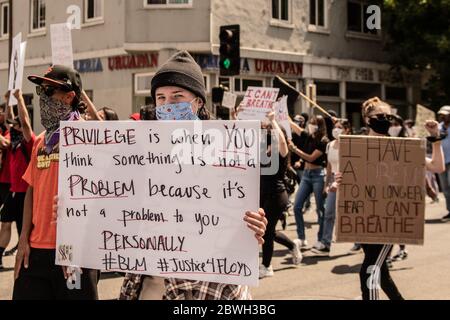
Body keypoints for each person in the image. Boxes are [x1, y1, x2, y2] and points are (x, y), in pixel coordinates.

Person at [115, 51, 267, 300]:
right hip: (150, 283)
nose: (167, 105)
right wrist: (74, 214)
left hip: (208, 287)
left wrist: (255, 225)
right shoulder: (139, 152)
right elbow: (115, 204)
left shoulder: (226, 151)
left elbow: (237, 213)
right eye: (160, 98)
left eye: (178, 96)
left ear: (198, 102)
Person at [343, 97, 445, 300]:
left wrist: (435, 138)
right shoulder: (355, 147)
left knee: (370, 270)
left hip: (389, 220)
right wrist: (338, 183)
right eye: (380, 116)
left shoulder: (401, 148)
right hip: (365, 219)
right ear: (367, 119)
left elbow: (437, 166)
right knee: (381, 272)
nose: (385, 119)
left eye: (389, 116)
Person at [13, 65, 99, 300]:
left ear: (70, 96)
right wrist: (23, 240)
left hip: (75, 253)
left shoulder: (89, 137)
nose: (42, 98)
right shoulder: (43, 140)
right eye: (40, 91)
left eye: (48, 91)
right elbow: (32, 188)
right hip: (35, 250)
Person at [259, 113, 302, 278]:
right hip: (263, 194)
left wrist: (273, 120)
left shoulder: (281, 153)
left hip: (277, 195)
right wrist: (235, 116)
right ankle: (292, 245)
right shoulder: (262, 151)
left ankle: (267, 266)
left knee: (267, 232)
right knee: (268, 231)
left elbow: (282, 141)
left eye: (270, 131)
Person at [0, 90, 35, 270]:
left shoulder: (29, 142)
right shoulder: (14, 143)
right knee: (4, 223)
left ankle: (28, 263)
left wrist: (19, 99)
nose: (12, 128)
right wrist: (9, 102)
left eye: (16, 126)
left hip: (25, 194)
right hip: (13, 192)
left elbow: (26, 123)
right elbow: (9, 120)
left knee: (24, 231)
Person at [312, 119, 352, 256]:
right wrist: (327, 184)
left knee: (351, 214)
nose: (336, 129)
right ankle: (326, 243)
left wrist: (338, 182)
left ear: (347, 130)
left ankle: (359, 242)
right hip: (333, 181)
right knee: (329, 213)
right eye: (335, 127)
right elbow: (329, 166)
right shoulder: (330, 145)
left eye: (340, 127)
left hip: (348, 181)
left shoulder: (350, 144)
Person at [288, 115, 329, 249]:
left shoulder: (323, 141)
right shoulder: (308, 136)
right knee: (297, 206)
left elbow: (311, 158)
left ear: (320, 125)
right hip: (306, 175)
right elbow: (293, 125)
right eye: (310, 122)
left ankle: (321, 239)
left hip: (318, 175)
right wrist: (280, 111)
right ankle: (301, 238)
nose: (311, 125)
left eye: (314, 123)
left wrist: (295, 150)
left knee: (320, 209)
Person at [438, 106, 450, 222]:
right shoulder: (438, 127)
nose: (443, 116)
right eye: (442, 114)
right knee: (445, 188)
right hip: (442, 161)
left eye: (445, 114)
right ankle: (449, 210)